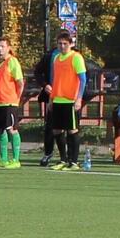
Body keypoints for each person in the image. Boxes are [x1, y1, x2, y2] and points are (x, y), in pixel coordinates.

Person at [42, 30, 87, 169]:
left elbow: (83, 79)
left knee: (72, 130)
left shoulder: (76, 57)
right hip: (57, 100)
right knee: (56, 130)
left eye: (65, 44)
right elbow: (55, 81)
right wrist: (51, 99)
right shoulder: (56, 59)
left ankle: (73, 161)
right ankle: (63, 160)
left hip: (70, 100)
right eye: (60, 43)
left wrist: (79, 98)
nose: (62, 46)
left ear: (71, 44)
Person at [0, 40, 26, 168]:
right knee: (0, 130)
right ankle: (3, 159)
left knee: (12, 129)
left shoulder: (12, 61)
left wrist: (17, 99)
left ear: (8, 48)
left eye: (2, 46)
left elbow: (20, 82)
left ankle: (16, 160)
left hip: (9, 102)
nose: (0, 49)